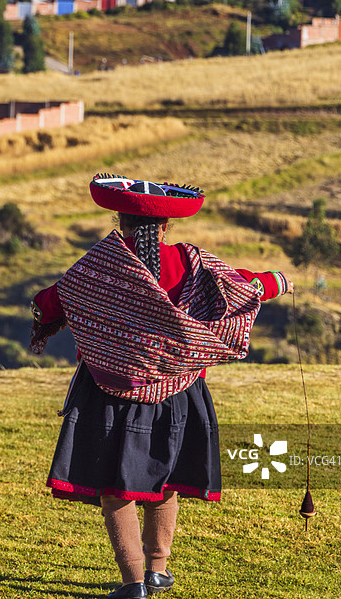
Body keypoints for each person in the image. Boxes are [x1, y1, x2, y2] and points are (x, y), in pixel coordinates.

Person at [29, 173, 293, 598]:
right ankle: (157, 570)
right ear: (166, 225)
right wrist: (276, 281)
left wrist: (46, 318)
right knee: (164, 480)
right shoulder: (190, 262)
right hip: (181, 393)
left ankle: (133, 582)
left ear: (120, 221)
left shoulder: (100, 266)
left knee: (116, 488)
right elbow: (243, 286)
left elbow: (51, 302)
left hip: (110, 393)